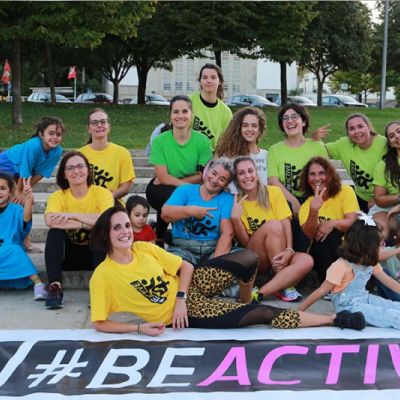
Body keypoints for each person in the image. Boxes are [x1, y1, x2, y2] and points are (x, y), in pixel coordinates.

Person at [89, 206, 366, 335]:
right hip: (187, 314)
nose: (125, 231)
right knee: (262, 314)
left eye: (127, 225)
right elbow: (99, 323)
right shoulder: (103, 275)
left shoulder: (143, 248)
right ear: (105, 234)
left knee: (247, 258)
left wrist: (181, 297)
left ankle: (246, 298)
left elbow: (185, 266)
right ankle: (332, 319)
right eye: (117, 227)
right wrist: (138, 328)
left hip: (190, 289)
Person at [231, 157, 313, 302]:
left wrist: (289, 250)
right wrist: (236, 220)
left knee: (307, 261)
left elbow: (286, 223)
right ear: (236, 178)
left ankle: (258, 294)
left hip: (280, 251)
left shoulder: (274, 192)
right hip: (257, 258)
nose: (247, 176)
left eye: (250, 171)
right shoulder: (236, 202)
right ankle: (285, 284)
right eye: (241, 173)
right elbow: (246, 243)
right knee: (274, 225)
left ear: (256, 173)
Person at [299, 215, 400, 330]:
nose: (382, 247)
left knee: (396, 306)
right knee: (391, 315)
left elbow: (388, 281)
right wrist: (301, 310)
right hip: (348, 307)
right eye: (379, 244)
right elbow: (321, 291)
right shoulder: (341, 266)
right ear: (367, 246)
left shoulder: (370, 262)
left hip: (364, 299)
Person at [43, 151, 114, 310]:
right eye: (70, 168)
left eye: (80, 166)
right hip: (69, 256)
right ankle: (55, 288)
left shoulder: (102, 193)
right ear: (64, 174)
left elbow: (108, 220)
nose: (76, 171)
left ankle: (100, 290)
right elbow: (50, 221)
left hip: (98, 254)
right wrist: (87, 223)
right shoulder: (58, 196)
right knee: (55, 233)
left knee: (101, 232)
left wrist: (73, 216)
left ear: (88, 170)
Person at [146, 95, 212, 245]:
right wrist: (187, 187)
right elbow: (162, 177)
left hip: (177, 186)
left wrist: (178, 183)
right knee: (173, 197)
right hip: (162, 188)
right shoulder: (160, 141)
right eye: (175, 112)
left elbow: (202, 176)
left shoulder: (202, 141)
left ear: (191, 114)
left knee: (176, 197)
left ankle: (162, 234)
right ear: (170, 115)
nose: (180, 116)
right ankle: (167, 236)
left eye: (184, 111)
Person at [268, 103, 328, 252]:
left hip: (314, 198)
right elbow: (273, 181)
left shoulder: (317, 146)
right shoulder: (275, 150)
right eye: (285, 118)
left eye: (294, 117)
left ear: (304, 122)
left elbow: (326, 177)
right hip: (287, 200)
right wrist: (294, 201)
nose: (290, 121)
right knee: (288, 214)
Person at [0, 116, 65, 252]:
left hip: (20, 175)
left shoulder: (57, 151)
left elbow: (41, 173)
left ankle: (26, 243)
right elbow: (24, 169)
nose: (55, 137)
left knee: (25, 203)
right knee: (9, 201)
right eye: (51, 133)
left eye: (58, 134)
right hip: (5, 166)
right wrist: (18, 191)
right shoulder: (34, 145)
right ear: (41, 134)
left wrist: (26, 192)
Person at [161, 158, 235, 266]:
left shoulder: (227, 199)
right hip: (182, 250)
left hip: (213, 250)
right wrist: (191, 211)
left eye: (222, 179)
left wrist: (215, 265)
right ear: (207, 171)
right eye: (214, 173)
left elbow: (227, 233)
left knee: (246, 257)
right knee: (165, 263)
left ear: (226, 184)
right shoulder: (185, 190)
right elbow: (165, 214)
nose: (215, 180)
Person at [299, 156, 359, 283]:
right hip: (322, 254)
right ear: (307, 179)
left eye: (321, 173)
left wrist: (333, 223)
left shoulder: (345, 191)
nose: (317, 178)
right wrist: (313, 210)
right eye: (312, 174)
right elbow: (309, 234)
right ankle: (329, 284)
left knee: (332, 232)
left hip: (348, 247)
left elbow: (352, 222)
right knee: (325, 236)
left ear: (330, 175)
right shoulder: (307, 205)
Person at [313, 113, 386, 213]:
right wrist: (315, 139)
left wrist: (378, 198)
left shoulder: (383, 144)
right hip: (359, 195)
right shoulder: (344, 144)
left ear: (369, 127)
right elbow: (321, 150)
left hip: (383, 198)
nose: (357, 131)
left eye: (360, 126)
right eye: (351, 129)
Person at [0, 172, 46, 299]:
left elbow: (25, 220)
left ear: (10, 192)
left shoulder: (16, 209)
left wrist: (28, 200)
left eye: (2, 188)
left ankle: (38, 284)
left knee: (14, 250)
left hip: (10, 251)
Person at [79, 108, 135, 202]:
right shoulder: (79, 155)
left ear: (109, 127)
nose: (99, 125)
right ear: (89, 128)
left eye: (103, 122)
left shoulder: (122, 153)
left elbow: (126, 186)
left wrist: (107, 197)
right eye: (94, 123)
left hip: (113, 204)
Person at [215, 106, 268, 191]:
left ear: (260, 130)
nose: (250, 129)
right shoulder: (228, 157)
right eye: (245, 125)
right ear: (238, 129)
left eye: (254, 126)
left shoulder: (267, 156)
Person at [189, 63, 232, 149]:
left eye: (213, 77)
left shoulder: (226, 112)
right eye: (205, 77)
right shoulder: (188, 101)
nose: (209, 81)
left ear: (219, 81)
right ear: (200, 81)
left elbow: (225, 143)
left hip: (211, 156)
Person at [370, 121, 400, 240]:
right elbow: (379, 199)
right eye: (392, 136)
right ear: (391, 144)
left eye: (399, 131)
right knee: (377, 230)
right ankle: (375, 251)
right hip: (387, 209)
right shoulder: (383, 166)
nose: (397, 136)